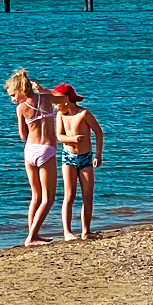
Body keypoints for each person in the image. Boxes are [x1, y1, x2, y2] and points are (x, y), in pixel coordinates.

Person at [5, 69, 67, 246]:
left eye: (13, 95)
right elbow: (63, 98)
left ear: (22, 89)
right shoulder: (46, 99)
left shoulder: (21, 108)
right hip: (46, 149)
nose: (13, 100)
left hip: (30, 150)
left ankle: (33, 233)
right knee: (48, 198)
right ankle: (32, 237)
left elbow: (23, 136)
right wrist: (45, 89)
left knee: (36, 197)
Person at [54, 84, 104, 241]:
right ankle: (67, 231)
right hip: (68, 158)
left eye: (57, 102)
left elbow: (98, 132)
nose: (55, 107)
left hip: (85, 158)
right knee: (69, 195)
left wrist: (98, 154)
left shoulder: (83, 114)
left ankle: (86, 231)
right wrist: (73, 139)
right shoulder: (61, 116)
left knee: (87, 196)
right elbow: (59, 136)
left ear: (66, 99)